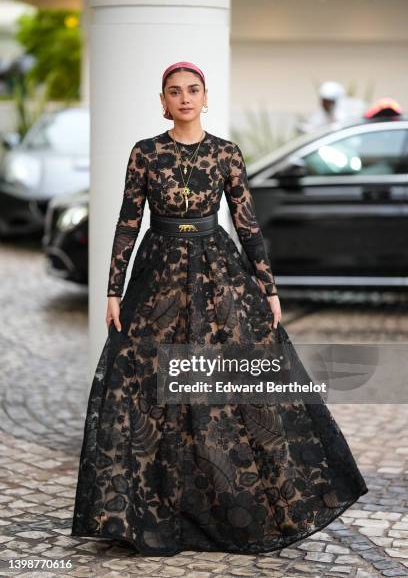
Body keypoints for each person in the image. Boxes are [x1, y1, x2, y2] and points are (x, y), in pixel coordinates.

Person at [71, 61, 368, 556]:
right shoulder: (145, 153)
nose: (184, 98)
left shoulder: (226, 154)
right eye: (174, 92)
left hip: (218, 274)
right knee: (143, 385)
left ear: (204, 97)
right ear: (162, 100)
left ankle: (230, 502)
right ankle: (146, 510)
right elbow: (127, 222)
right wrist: (112, 291)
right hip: (157, 277)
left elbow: (247, 224)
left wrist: (268, 288)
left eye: (193, 90)